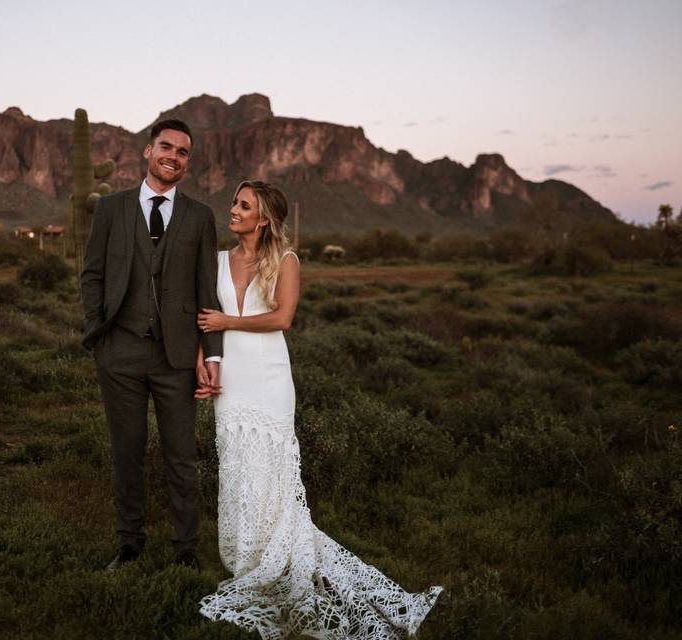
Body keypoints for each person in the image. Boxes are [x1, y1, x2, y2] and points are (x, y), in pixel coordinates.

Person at [195, 181, 441, 639]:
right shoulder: (215, 262)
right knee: (237, 464)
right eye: (234, 201)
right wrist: (204, 367)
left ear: (263, 219)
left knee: (269, 467)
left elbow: (282, 319)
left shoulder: (286, 261)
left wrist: (230, 321)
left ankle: (275, 554)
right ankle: (243, 555)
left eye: (243, 205)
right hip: (231, 379)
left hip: (268, 378)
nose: (233, 210)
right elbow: (203, 324)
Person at [80, 119, 223, 571]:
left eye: (183, 152)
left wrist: (211, 352)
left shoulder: (200, 217)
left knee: (181, 456)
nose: (174, 157)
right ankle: (129, 543)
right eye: (167, 147)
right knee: (127, 452)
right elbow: (92, 274)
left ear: (187, 163)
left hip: (175, 356)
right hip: (119, 352)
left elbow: (207, 291)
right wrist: (97, 332)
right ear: (147, 151)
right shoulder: (111, 208)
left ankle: (185, 550)